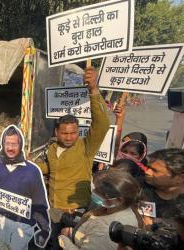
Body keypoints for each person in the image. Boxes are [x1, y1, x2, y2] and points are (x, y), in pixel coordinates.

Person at [37, 67, 110, 249]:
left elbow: (102, 124)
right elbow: (50, 167)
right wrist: (31, 167)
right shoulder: (52, 148)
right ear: (56, 132)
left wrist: (93, 90)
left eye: (73, 133)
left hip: (75, 211)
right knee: (52, 243)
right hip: (53, 209)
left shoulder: (86, 147)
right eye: (65, 133)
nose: (69, 137)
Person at [0, 125, 51, 249]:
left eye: (14, 144)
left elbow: (39, 202)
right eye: (7, 143)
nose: (10, 148)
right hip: (0, 218)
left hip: (22, 224)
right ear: (3, 143)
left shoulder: (32, 171)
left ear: (21, 145)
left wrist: (44, 229)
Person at [58, 170, 143, 250]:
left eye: (99, 191)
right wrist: (72, 233)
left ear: (119, 200)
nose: (94, 192)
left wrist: (63, 238)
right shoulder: (117, 208)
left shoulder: (105, 232)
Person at [141, 148, 184, 220]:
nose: (147, 172)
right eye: (149, 168)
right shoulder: (138, 187)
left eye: (155, 170)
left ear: (180, 178)